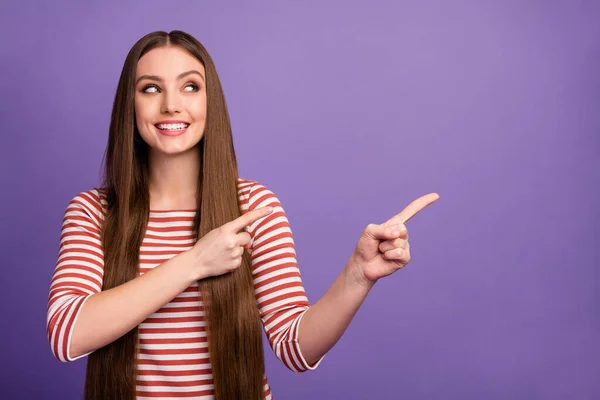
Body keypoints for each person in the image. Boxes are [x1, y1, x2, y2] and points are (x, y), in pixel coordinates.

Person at [46, 30, 439, 400]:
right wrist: (195, 261)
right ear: (129, 106)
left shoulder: (253, 207)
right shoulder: (94, 212)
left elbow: (294, 348)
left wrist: (358, 275)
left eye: (190, 86)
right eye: (151, 88)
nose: (171, 104)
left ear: (209, 101)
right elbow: (67, 335)